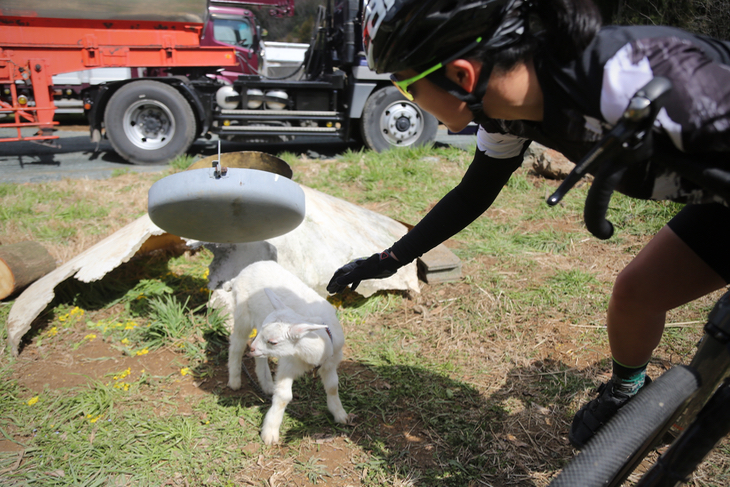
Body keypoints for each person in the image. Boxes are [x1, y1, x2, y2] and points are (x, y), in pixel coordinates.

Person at [327, 0, 730, 450]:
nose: (409, 102)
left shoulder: (634, 78)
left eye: (407, 89)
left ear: (462, 75)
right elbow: (472, 194)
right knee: (636, 294)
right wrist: (388, 259)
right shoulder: (505, 110)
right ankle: (626, 392)